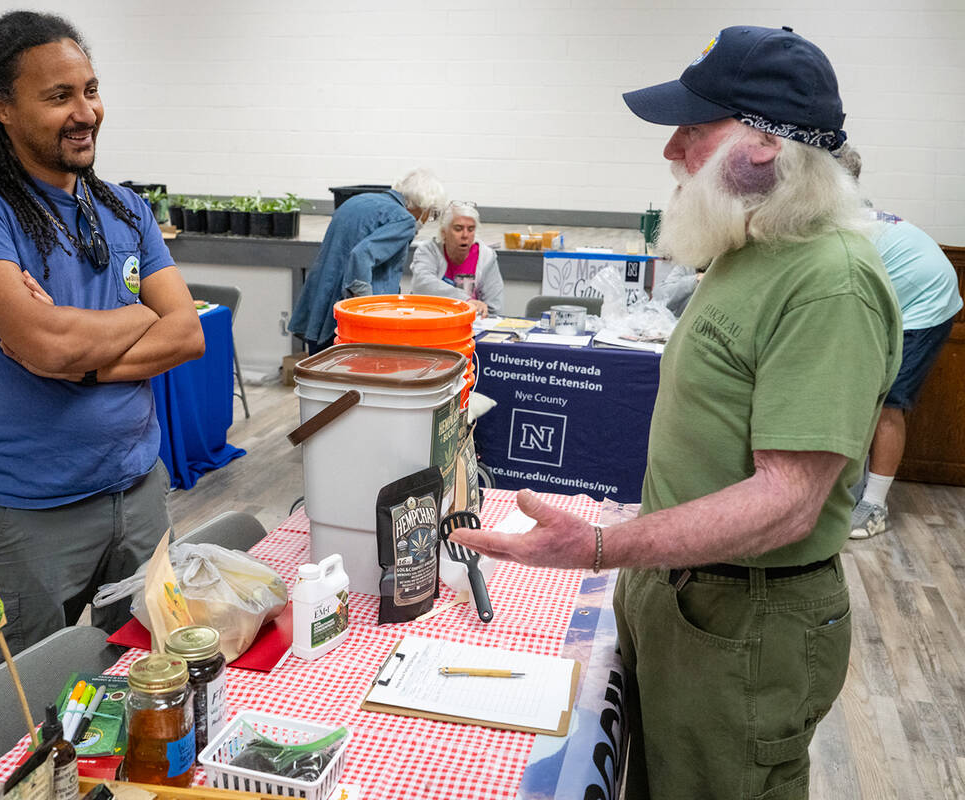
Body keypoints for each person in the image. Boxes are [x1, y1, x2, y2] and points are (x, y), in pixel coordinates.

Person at [450, 26, 901, 799]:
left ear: (763, 143)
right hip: (688, 597)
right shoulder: (752, 249)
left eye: (693, 130)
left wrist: (601, 546)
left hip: (747, 618)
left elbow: (787, 503)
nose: (672, 152)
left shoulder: (830, 282)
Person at [0, 11, 205, 681]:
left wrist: (81, 364)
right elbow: (46, 344)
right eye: (59, 97)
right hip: (30, 512)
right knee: (17, 708)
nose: (87, 112)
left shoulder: (124, 209)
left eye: (91, 89)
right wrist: (139, 317)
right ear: (2, 107)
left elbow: (187, 332)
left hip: (139, 490)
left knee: (148, 680)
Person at [836, 146, 962, 539]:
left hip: (926, 304)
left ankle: (873, 506)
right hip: (902, 297)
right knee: (864, 392)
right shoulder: (845, 216)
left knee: (890, 403)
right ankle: (851, 491)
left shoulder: (844, 228)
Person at [288, 169, 446, 353]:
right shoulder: (404, 220)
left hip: (318, 307)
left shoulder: (357, 202)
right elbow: (361, 255)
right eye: (431, 213)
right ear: (423, 204)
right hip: (345, 323)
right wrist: (366, 312)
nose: (427, 219)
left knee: (321, 374)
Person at [409, 200, 503, 317]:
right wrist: (465, 301)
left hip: (471, 325)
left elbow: (494, 308)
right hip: (430, 320)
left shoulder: (486, 257)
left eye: (471, 229)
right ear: (444, 233)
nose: (465, 235)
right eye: (458, 229)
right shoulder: (428, 251)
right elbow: (422, 284)